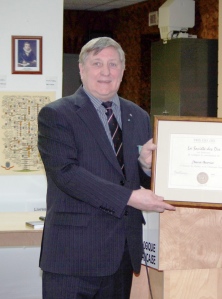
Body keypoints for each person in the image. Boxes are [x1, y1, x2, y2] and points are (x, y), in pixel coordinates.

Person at [37, 37, 175, 298]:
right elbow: (66, 174)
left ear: (123, 71)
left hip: (121, 256)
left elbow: (138, 180)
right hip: (72, 258)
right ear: (81, 69)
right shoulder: (56, 115)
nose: (105, 71)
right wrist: (130, 197)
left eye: (113, 64)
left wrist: (146, 168)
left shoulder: (139, 116)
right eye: (97, 63)